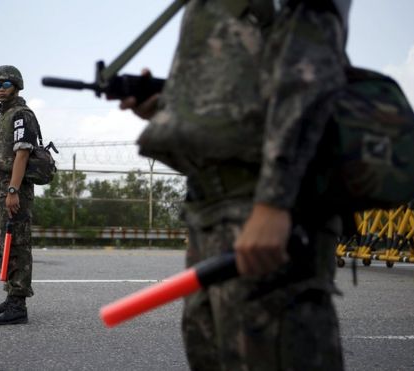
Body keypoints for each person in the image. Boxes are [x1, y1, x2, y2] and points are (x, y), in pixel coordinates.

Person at [119, 1, 351, 370]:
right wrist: (166, 109)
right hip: (210, 212)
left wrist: (274, 205)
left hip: (263, 210)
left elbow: (309, 77)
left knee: (273, 353)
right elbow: (237, 99)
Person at [0, 65, 39, 325]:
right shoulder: (0, 119)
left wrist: (13, 190)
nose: (0, 89)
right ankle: (11, 295)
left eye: (5, 84)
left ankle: (19, 305)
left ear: (16, 85)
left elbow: (22, 154)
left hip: (13, 191)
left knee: (16, 247)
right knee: (1, 248)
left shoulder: (21, 116)